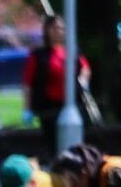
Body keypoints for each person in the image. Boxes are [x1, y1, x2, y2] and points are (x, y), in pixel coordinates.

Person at [23, 16, 90, 162]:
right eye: (55, 28)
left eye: (61, 28)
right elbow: (27, 84)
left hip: (71, 105)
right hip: (49, 108)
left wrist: (83, 79)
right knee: (54, 145)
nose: (58, 31)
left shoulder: (71, 51)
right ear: (47, 30)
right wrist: (27, 109)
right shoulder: (38, 55)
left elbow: (85, 67)